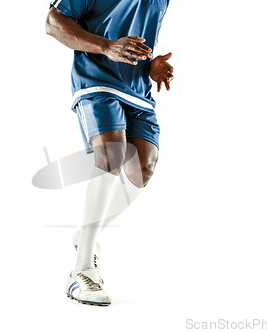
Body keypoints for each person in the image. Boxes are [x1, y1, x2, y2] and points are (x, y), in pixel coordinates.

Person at [45, 0, 172, 306]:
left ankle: (86, 236)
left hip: (137, 87)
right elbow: (53, 21)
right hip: (97, 80)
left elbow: (134, 34)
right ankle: (82, 270)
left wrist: (151, 63)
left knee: (143, 170)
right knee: (111, 156)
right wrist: (107, 47)